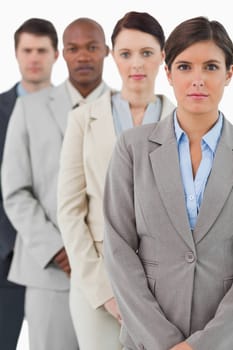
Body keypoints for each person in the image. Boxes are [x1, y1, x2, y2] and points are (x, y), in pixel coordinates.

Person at [103, 15, 233, 350]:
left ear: (229, 74)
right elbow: (118, 249)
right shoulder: (132, 148)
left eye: (211, 67)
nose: (198, 80)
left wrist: (202, 344)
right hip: (146, 340)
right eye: (186, 67)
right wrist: (164, 343)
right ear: (169, 73)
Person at [57, 11, 174, 350]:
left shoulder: (181, 121)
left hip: (164, 286)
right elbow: (69, 210)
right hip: (97, 279)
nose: (136, 64)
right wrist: (102, 290)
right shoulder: (83, 119)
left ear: (163, 56)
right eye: (126, 54)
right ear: (113, 56)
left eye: (147, 53)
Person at [1, 17, 110, 350]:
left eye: (92, 48)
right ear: (64, 54)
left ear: (106, 51)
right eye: (74, 49)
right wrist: (58, 250)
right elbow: (15, 191)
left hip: (111, 274)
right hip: (49, 272)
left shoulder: (125, 107)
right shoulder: (29, 108)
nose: (83, 57)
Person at [0, 17, 58, 350]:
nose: (34, 57)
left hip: (60, 262)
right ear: (16, 54)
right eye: (27, 50)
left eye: (41, 50)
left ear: (55, 54)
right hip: (4, 256)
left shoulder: (78, 110)